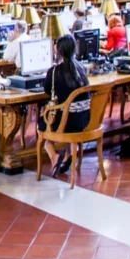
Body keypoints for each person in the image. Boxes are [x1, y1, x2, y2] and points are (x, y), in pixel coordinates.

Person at [41, 35, 91, 176]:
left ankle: (53, 156)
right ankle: (69, 154)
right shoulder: (82, 68)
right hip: (84, 119)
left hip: (67, 122)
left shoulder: (54, 71)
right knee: (67, 112)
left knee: (42, 126)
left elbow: (47, 91)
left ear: (58, 51)